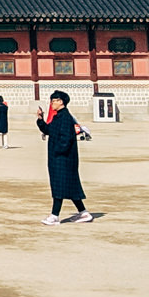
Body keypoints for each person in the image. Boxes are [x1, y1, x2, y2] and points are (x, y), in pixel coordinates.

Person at [35, 91, 91, 224]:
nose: (52, 103)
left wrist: (57, 152)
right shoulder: (58, 117)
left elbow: (66, 140)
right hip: (58, 158)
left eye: (54, 101)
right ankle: (84, 213)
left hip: (63, 158)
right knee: (70, 187)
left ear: (61, 101)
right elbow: (48, 130)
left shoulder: (65, 117)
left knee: (59, 186)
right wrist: (40, 120)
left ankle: (54, 215)